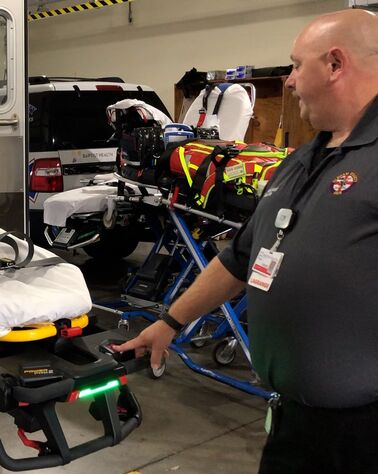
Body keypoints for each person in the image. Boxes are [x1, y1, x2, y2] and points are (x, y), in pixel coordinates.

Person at [112, 8, 378, 473]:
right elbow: (240, 257)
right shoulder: (305, 158)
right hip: (295, 421)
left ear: (335, 64)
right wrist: (170, 322)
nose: (290, 81)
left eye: (297, 65)